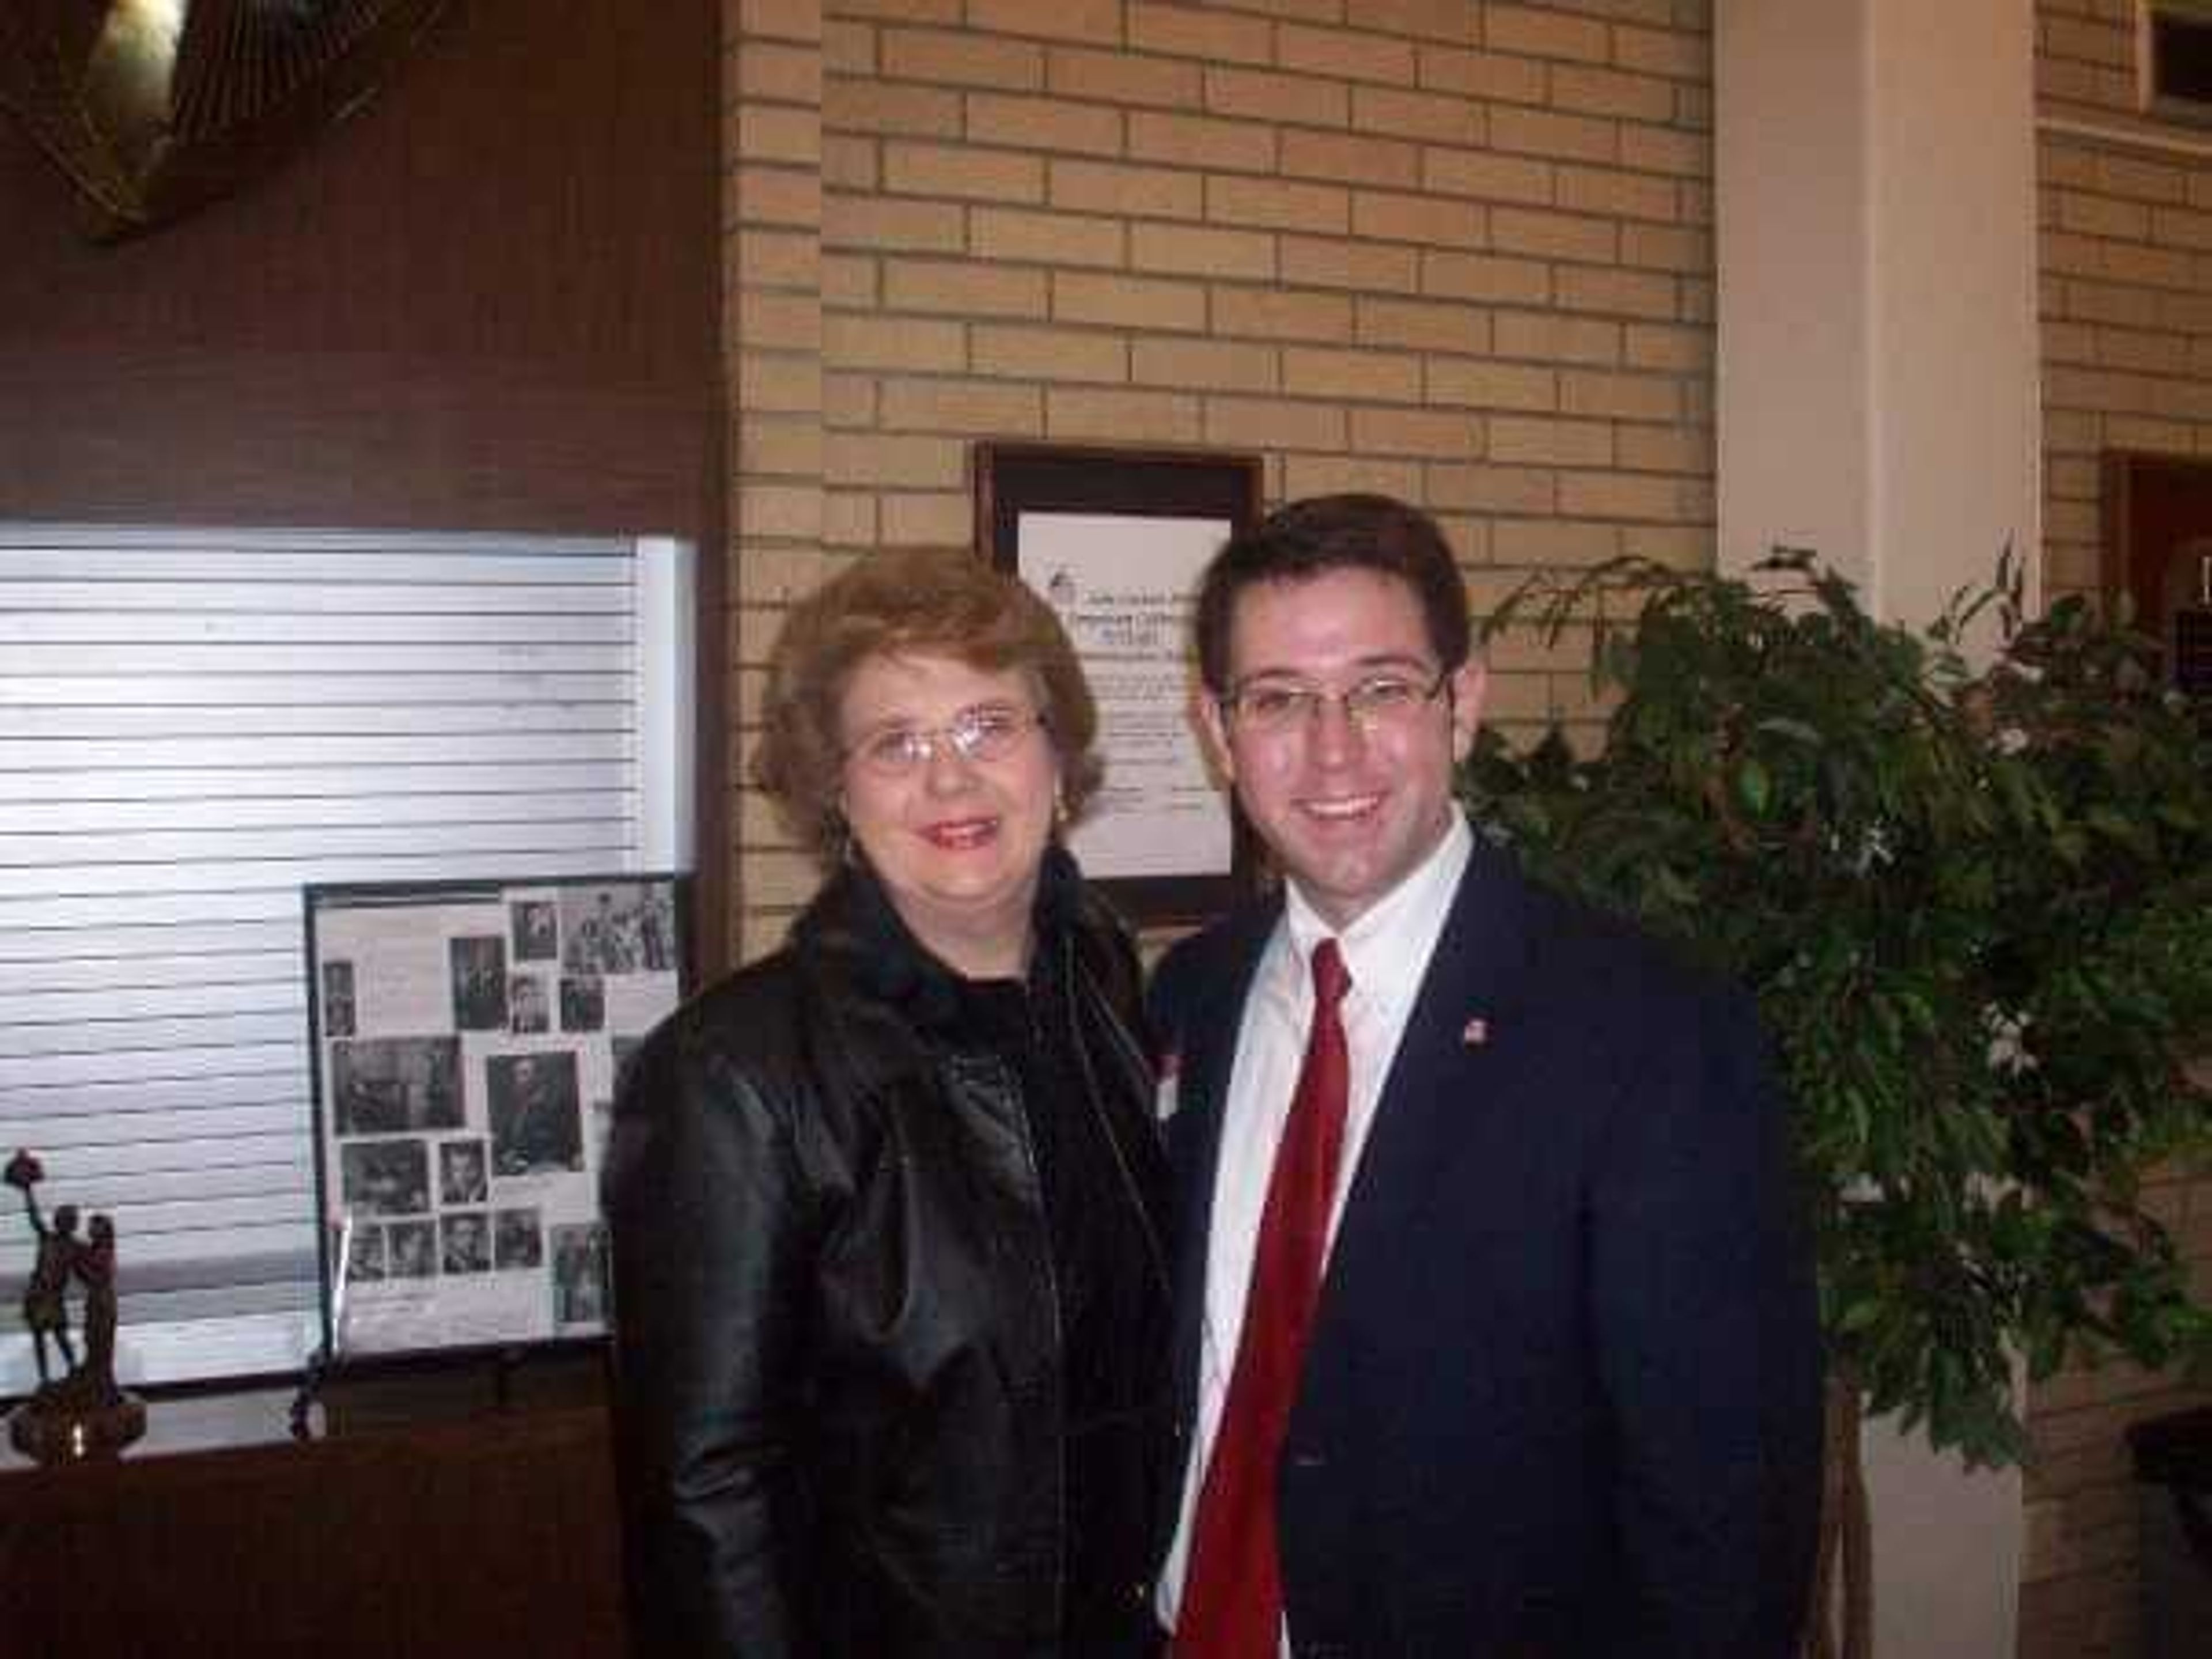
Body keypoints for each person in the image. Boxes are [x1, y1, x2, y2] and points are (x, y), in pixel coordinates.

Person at [1151, 495, 1824, 1657]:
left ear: (1465, 700)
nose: (1332, 750)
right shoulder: (1188, 999)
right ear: (1217, 729)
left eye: (1380, 688)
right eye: (1277, 701)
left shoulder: (1650, 1032)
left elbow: (1727, 1500)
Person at [603, 547, 1173, 1658]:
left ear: (1057, 762)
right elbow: (702, 1502)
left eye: (987, 727)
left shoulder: (1100, 984)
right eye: (896, 744)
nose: (950, 782)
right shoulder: (732, 1074)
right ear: (838, 794)